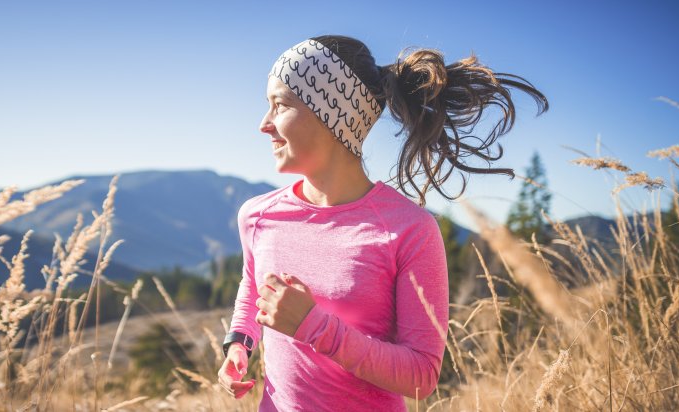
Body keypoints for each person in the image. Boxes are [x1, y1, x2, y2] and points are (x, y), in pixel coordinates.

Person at [215, 35, 548, 411]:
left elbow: (422, 376)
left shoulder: (409, 230)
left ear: (330, 112)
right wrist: (239, 345)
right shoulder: (258, 215)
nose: (264, 124)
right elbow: (253, 284)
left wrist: (315, 327)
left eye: (280, 105)